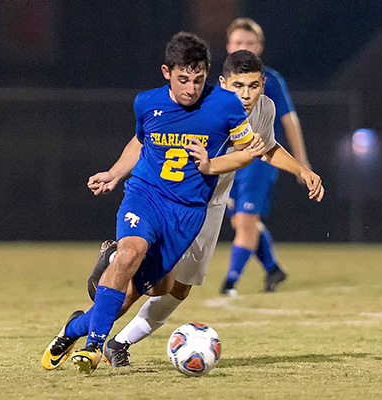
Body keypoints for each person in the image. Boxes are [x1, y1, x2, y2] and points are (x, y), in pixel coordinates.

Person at [41, 33, 264, 374]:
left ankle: (72, 328)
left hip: (187, 212)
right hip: (145, 195)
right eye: (183, 80)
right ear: (166, 72)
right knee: (130, 254)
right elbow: (140, 141)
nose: (191, 89)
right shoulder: (146, 102)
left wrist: (210, 166)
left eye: (198, 80)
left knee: (155, 289)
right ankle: (93, 348)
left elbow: (248, 152)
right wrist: (115, 174)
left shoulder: (226, 105)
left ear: (207, 74)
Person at [86, 50, 324, 368]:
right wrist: (115, 173)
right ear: (224, 83)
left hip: (211, 207)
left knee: (178, 289)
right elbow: (143, 140)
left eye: (254, 85)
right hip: (173, 200)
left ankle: (118, 343)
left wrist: (300, 170)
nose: (246, 93)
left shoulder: (264, 107)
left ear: (263, 85)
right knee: (151, 282)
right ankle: (85, 334)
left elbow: (266, 146)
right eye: (238, 85)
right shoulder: (202, 106)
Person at [221, 18, 312, 294]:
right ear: (228, 46)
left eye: (249, 43)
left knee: (246, 222)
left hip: (259, 161)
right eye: (238, 43)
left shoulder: (269, 80)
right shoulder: (226, 81)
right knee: (242, 222)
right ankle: (273, 269)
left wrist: (301, 163)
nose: (244, 48)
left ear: (259, 47)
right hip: (231, 162)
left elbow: (289, 120)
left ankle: (229, 284)